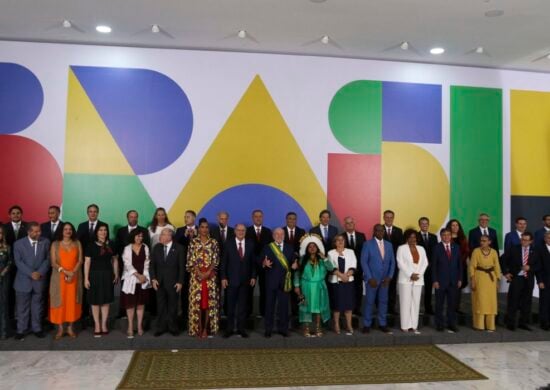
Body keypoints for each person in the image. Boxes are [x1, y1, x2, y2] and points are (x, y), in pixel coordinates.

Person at [13, 222, 50, 340]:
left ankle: (37, 328)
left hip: (39, 280)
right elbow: (18, 262)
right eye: (35, 231)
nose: (38, 233)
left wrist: (40, 272)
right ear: (29, 232)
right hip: (23, 281)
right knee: (22, 307)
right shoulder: (18, 244)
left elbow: (48, 260)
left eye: (39, 231)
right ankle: (21, 330)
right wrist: (31, 273)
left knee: (37, 307)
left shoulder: (46, 242)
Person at [76, 204, 110, 329]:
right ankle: (86, 316)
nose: (93, 213)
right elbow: (78, 243)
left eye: (95, 211)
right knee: (87, 291)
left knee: (100, 294)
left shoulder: (103, 225)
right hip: (86, 261)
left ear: (98, 213)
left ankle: (100, 321)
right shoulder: (81, 226)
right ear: (87, 213)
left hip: (100, 264)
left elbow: (107, 245)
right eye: (90, 211)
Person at [220, 223, 256, 338]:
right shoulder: (228, 244)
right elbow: (223, 262)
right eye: (239, 230)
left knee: (243, 307)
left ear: (245, 232)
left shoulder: (250, 244)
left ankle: (241, 329)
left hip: (245, 281)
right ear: (235, 231)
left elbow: (253, 263)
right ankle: (229, 329)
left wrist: (253, 276)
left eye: (243, 230)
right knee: (230, 307)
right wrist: (223, 277)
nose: (241, 232)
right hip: (231, 281)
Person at [260, 227, 296, 338]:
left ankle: (283, 329)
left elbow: (294, 261)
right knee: (269, 307)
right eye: (277, 234)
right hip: (271, 282)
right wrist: (263, 263)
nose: (279, 236)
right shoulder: (267, 247)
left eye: (281, 234)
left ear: (284, 235)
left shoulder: (290, 248)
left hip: (285, 282)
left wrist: (295, 265)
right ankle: (268, 329)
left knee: (284, 307)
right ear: (273, 235)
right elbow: (259, 260)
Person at [294, 235, 333, 337]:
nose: (312, 248)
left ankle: (318, 328)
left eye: (314, 246)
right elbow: (297, 273)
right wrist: (297, 286)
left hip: (319, 286)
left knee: (319, 307)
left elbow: (331, 268)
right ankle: (306, 329)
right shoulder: (302, 260)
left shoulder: (321, 260)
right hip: (306, 286)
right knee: (305, 307)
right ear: (307, 248)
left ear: (317, 248)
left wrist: (324, 258)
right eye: (310, 246)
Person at [187, 218, 220, 338]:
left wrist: (208, 272)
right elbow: (190, 260)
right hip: (196, 278)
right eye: (202, 227)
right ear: (198, 228)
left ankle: (206, 328)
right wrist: (199, 273)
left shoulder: (214, 242)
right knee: (198, 304)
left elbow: (216, 260)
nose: (204, 229)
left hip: (210, 278)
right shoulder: (193, 242)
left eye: (206, 227)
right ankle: (198, 328)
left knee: (208, 304)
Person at [49, 222, 83, 339]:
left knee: (72, 302)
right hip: (59, 278)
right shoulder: (55, 244)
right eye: (65, 229)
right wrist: (65, 272)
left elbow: (80, 260)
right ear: (61, 231)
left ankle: (70, 327)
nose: (68, 231)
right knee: (59, 302)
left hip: (74, 277)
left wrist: (72, 272)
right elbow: (53, 262)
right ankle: (60, 329)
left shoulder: (77, 243)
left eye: (70, 229)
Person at [84, 225, 118, 337]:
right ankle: (97, 325)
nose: (103, 232)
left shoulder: (111, 244)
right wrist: (86, 278)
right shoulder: (90, 245)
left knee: (106, 301)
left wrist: (116, 273)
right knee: (95, 301)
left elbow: (114, 260)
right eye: (100, 230)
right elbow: (87, 262)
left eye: (105, 230)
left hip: (107, 275)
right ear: (96, 232)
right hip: (94, 275)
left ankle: (104, 324)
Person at [150, 228, 185, 337]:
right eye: (161, 234)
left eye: (163, 234)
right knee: (160, 306)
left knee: (173, 306)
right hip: (159, 283)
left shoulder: (179, 248)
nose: (161, 236)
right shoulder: (156, 248)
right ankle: (160, 327)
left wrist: (180, 282)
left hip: (173, 282)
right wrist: (153, 278)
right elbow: (152, 265)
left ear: (170, 236)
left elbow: (181, 267)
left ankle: (173, 327)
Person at [361, 224, 395, 334]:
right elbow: (364, 262)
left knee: (383, 302)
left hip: (385, 280)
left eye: (382, 230)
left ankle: (382, 323)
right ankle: (366, 324)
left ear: (384, 232)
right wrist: (370, 278)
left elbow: (392, 263)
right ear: (374, 231)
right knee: (369, 302)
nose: (380, 232)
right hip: (372, 281)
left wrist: (389, 277)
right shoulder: (367, 244)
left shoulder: (389, 245)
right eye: (377, 230)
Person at [503, 232, 540, 331]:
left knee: (527, 301)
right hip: (517, 278)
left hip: (528, 279)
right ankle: (510, 323)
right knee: (513, 300)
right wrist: (506, 273)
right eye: (522, 239)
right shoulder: (514, 248)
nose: (523, 242)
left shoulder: (536, 250)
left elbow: (539, 265)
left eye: (526, 240)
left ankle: (523, 323)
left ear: (531, 241)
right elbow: (502, 260)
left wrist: (530, 267)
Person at [396, 229, 428, 334]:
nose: (412, 239)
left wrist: (418, 275)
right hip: (405, 279)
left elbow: (425, 263)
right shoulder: (401, 248)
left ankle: (414, 325)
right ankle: (405, 325)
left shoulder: (421, 248)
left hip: (418, 279)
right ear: (406, 238)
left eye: (414, 237)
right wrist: (410, 274)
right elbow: (400, 263)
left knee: (416, 303)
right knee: (405, 302)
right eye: (410, 237)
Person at [120, 230, 151, 338]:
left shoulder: (145, 247)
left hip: (143, 279)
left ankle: (139, 326)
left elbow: (147, 263)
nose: (139, 238)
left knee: (141, 304)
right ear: (133, 237)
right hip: (130, 279)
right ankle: (130, 326)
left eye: (141, 236)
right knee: (130, 304)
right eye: (137, 236)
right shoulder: (127, 248)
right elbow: (127, 264)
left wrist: (144, 277)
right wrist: (138, 275)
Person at [432, 228, 462, 333]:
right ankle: (439, 324)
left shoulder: (457, 247)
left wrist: (460, 279)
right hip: (440, 281)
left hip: (453, 281)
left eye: (448, 234)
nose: (446, 236)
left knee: (452, 304)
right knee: (439, 304)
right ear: (441, 236)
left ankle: (451, 324)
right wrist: (435, 280)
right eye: (444, 235)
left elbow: (460, 265)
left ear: (451, 236)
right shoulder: (436, 248)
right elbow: (434, 266)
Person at [469, 234, 501, 332]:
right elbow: (472, 266)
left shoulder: (494, 252)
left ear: (489, 242)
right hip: (480, 278)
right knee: (480, 301)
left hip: (491, 279)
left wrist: (498, 280)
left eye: (484, 241)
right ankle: (479, 325)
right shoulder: (476, 251)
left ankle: (490, 325)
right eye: (481, 240)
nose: (482, 242)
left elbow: (497, 266)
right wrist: (473, 280)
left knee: (491, 302)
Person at [327, 234, 357, 335]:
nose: (340, 242)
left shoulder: (350, 252)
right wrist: (341, 276)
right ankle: (336, 325)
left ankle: (349, 325)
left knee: (349, 305)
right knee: (337, 305)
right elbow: (331, 267)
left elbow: (353, 265)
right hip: (336, 282)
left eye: (342, 240)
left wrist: (347, 275)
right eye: (338, 240)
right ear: (334, 242)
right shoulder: (330, 253)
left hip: (348, 282)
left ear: (345, 241)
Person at [246, 209, 272, 318]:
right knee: (248, 290)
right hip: (250, 265)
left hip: (264, 266)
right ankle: (248, 313)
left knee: (264, 289)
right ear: (252, 218)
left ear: (263, 218)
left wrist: (265, 262)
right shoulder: (246, 231)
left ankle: (263, 313)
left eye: (260, 216)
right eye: (256, 216)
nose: (258, 218)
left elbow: (270, 249)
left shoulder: (268, 231)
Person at [4, 205, 28, 321]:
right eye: (13, 213)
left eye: (18, 213)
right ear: (9, 215)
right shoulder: (4, 227)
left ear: (21, 214)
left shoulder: (28, 227)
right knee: (9, 294)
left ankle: (24, 319)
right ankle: (10, 319)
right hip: (8, 266)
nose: (16, 215)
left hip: (24, 266)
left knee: (24, 294)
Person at [282, 211, 306, 316]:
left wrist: (296, 259)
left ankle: (298, 314)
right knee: (285, 290)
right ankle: (285, 313)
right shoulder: (281, 231)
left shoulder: (302, 231)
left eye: (294, 219)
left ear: (296, 220)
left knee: (298, 289)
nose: (292, 220)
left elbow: (303, 248)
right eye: (289, 218)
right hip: (284, 265)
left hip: (298, 266)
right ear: (286, 220)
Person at [342, 216, 366, 315]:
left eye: (351, 222)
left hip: (359, 268)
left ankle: (357, 308)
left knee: (358, 289)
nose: (350, 224)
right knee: (346, 290)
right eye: (347, 223)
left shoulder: (361, 236)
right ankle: (347, 308)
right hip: (345, 269)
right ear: (345, 225)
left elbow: (365, 253)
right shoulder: (341, 236)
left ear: (354, 224)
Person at [382, 209, 403, 315]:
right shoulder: (379, 229)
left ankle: (391, 308)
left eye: (391, 217)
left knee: (393, 286)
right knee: (382, 286)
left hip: (394, 264)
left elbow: (401, 248)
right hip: (382, 264)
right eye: (387, 217)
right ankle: (381, 308)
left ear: (393, 218)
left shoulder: (399, 231)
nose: (389, 219)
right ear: (383, 218)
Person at [446, 219, 469, 313]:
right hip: (449, 267)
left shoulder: (463, 238)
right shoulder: (447, 238)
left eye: (457, 225)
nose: (455, 227)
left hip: (461, 267)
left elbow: (466, 252)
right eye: (453, 225)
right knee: (450, 287)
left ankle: (457, 307)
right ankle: (450, 307)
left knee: (458, 288)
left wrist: (459, 262)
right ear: (449, 227)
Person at [417, 217, 438, 315]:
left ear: (428, 225)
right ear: (419, 225)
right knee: (416, 289)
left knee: (429, 290)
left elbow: (435, 252)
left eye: (426, 223)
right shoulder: (415, 236)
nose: (424, 225)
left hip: (429, 268)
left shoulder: (434, 237)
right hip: (418, 267)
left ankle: (428, 308)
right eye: (422, 223)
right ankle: (415, 308)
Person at [0, 226, 12, 339]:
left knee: (3, 305)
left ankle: (3, 331)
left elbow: (10, 262)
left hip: (3, 279)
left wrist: (2, 273)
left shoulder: (7, 248)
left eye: (0, 233)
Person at [536, 231, 550, 330]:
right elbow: (538, 267)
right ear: (545, 239)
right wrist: (540, 281)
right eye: (548, 238)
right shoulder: (540, 249)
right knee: (544, 302)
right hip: (545, 280)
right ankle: (544, 323)